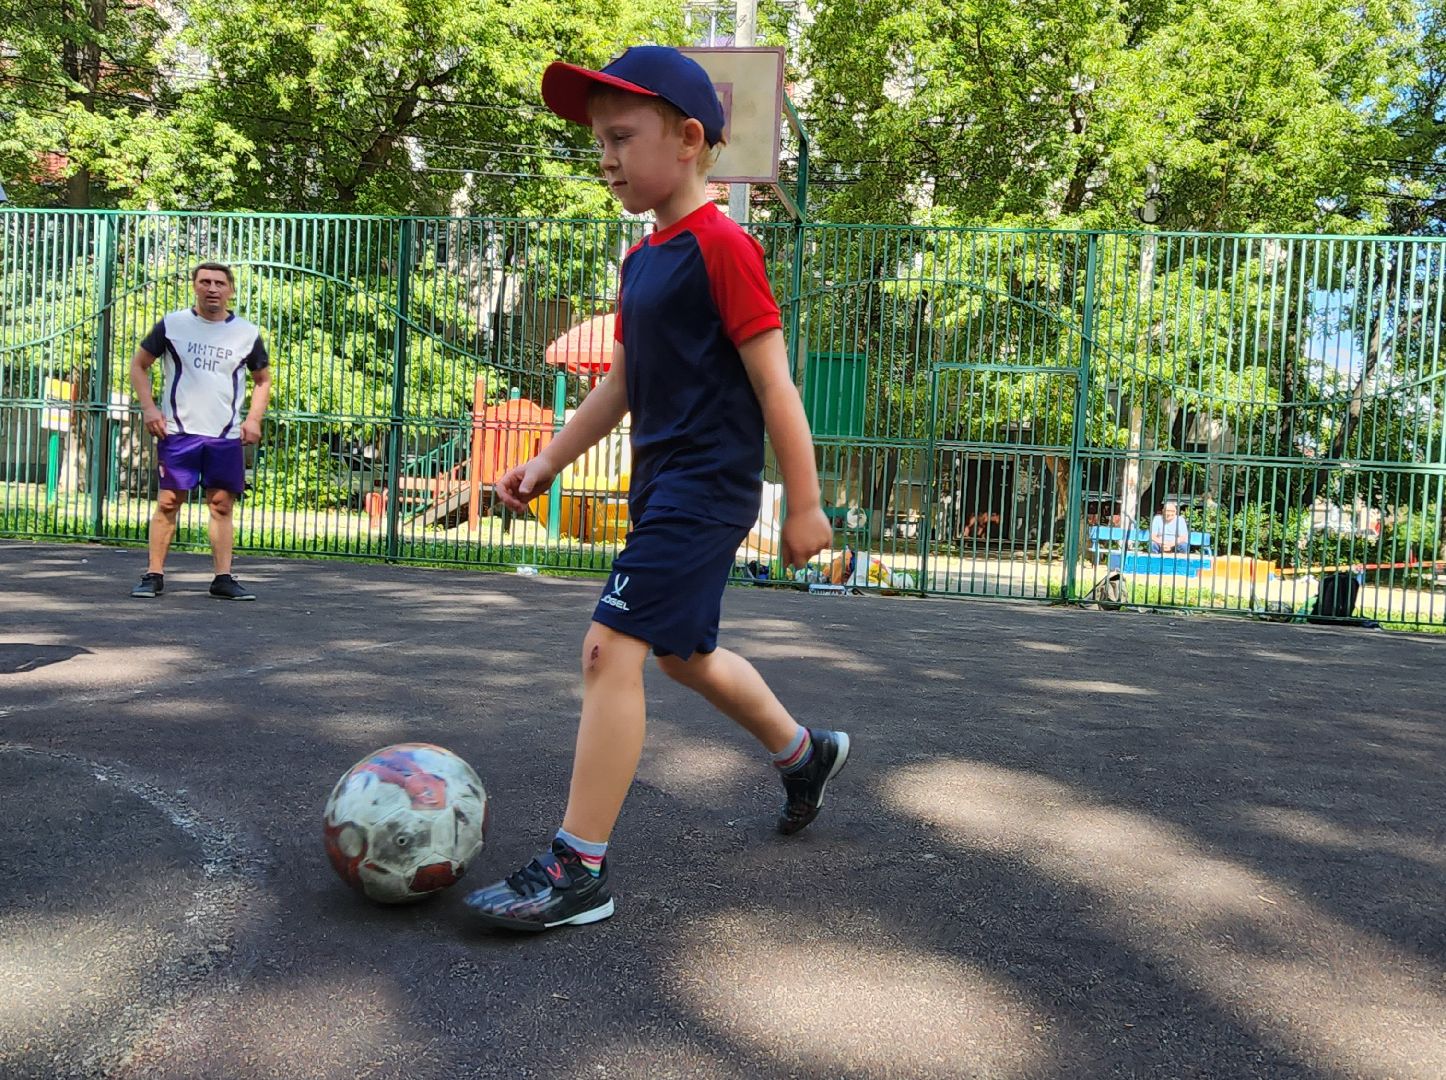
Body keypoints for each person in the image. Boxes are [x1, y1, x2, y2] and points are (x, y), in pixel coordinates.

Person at [464, 46, 844, 933]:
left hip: (707, 489)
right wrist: (550, 460)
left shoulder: (724, 246)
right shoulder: (644, 262)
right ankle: (803, 755)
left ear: (688, 139)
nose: (604, 157)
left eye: (620, 137)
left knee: (610, 650)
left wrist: (805, 501)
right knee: (682, 655)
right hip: (662, 485)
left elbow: (776, 385)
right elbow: (622, 385)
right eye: (597, 141)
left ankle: (578, 867)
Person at [128, 262, 271, 601]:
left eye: (219, 283)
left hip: (224, 435)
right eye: (205, 282)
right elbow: (139, 365)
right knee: (168, 501)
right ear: (194, 286)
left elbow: (262, 380)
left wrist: (254, 419)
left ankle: (223, 577)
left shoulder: (246, 333)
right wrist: (149, 408)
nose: (212, 288)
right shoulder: (173, 325)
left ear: (230, 290)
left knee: (221, 504)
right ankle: (153, 574)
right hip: (179, 431)